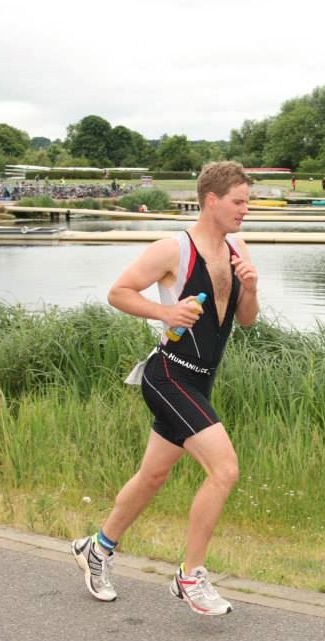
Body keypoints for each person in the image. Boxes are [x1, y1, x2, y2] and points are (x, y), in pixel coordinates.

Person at [71, 161, 260, 616]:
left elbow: (247, 319)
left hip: (200, 381)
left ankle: (97, 549)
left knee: (153, 476)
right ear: (211, 200)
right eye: (239, 202)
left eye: (247, 202)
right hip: (168, 375)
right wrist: (165, 314)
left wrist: (250, 288)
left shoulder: (238, 248)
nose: (245, 210)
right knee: (225, 470)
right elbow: (119, 292)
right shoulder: (172, 250)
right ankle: (190, 575)